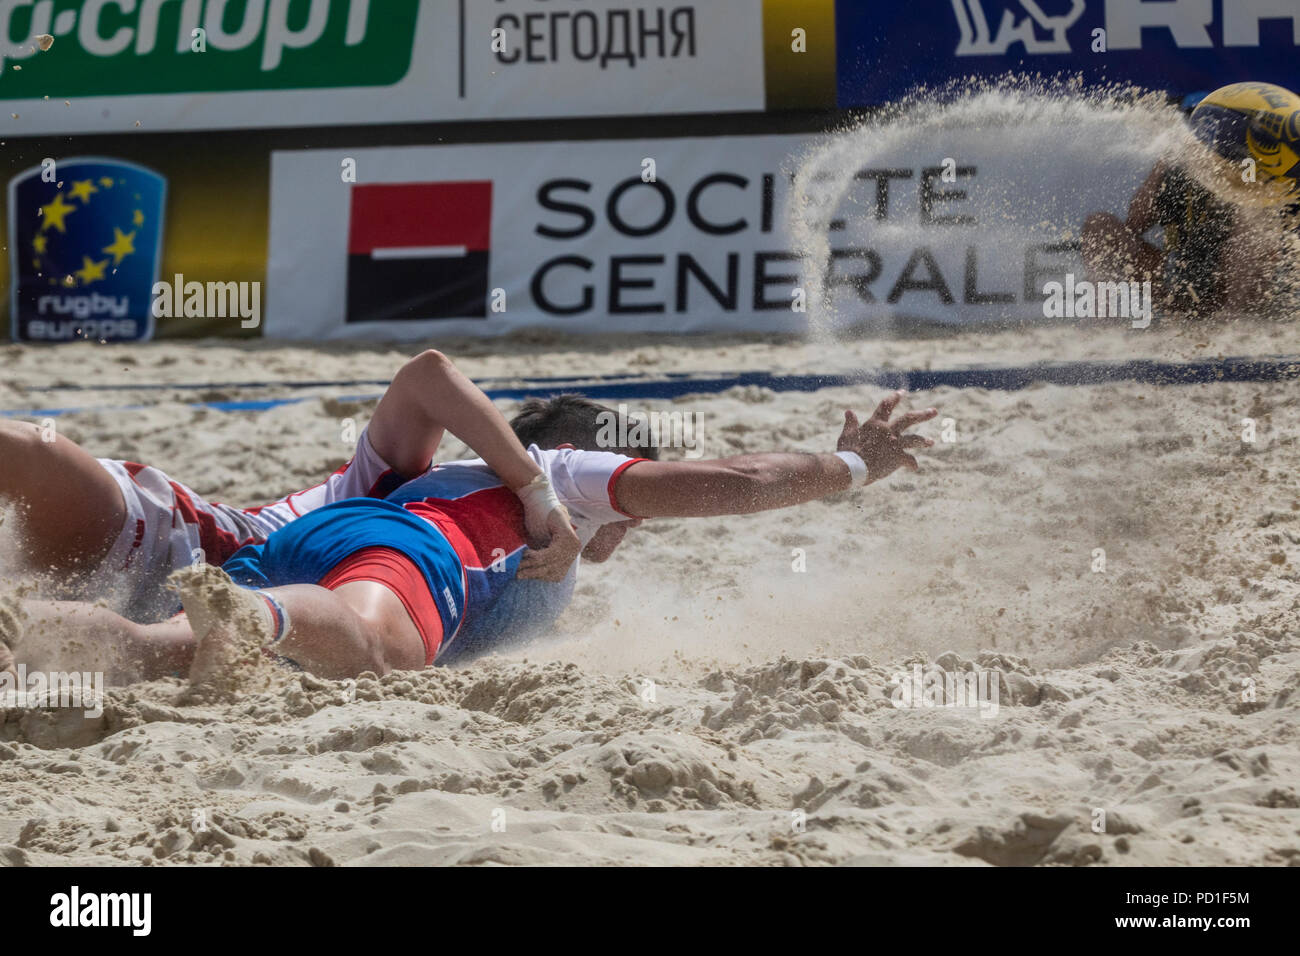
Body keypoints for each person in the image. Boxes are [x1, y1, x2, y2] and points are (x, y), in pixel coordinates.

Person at [1, 391, 937, 690]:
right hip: (405, 554)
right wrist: (849, 468)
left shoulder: (431, 470)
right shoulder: (562, 482)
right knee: (350, 637)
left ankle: (59, 621)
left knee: (270, 600)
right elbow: (739, 482)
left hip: (317, 535)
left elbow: (428, 378)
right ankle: (128, 643)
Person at [1081, 81, 1300, 318]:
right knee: (1099, 225)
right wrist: (1164, 164)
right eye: (1194, 124)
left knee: (1255, 231)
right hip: (1180, 286)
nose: (1203, 136)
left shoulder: (1249, 169)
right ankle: (1101, 320)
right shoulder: (1173, 164)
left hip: (1233, 291)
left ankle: (1234, 322)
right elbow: (1135, 221)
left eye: (1212, 128)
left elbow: (1256, 228)